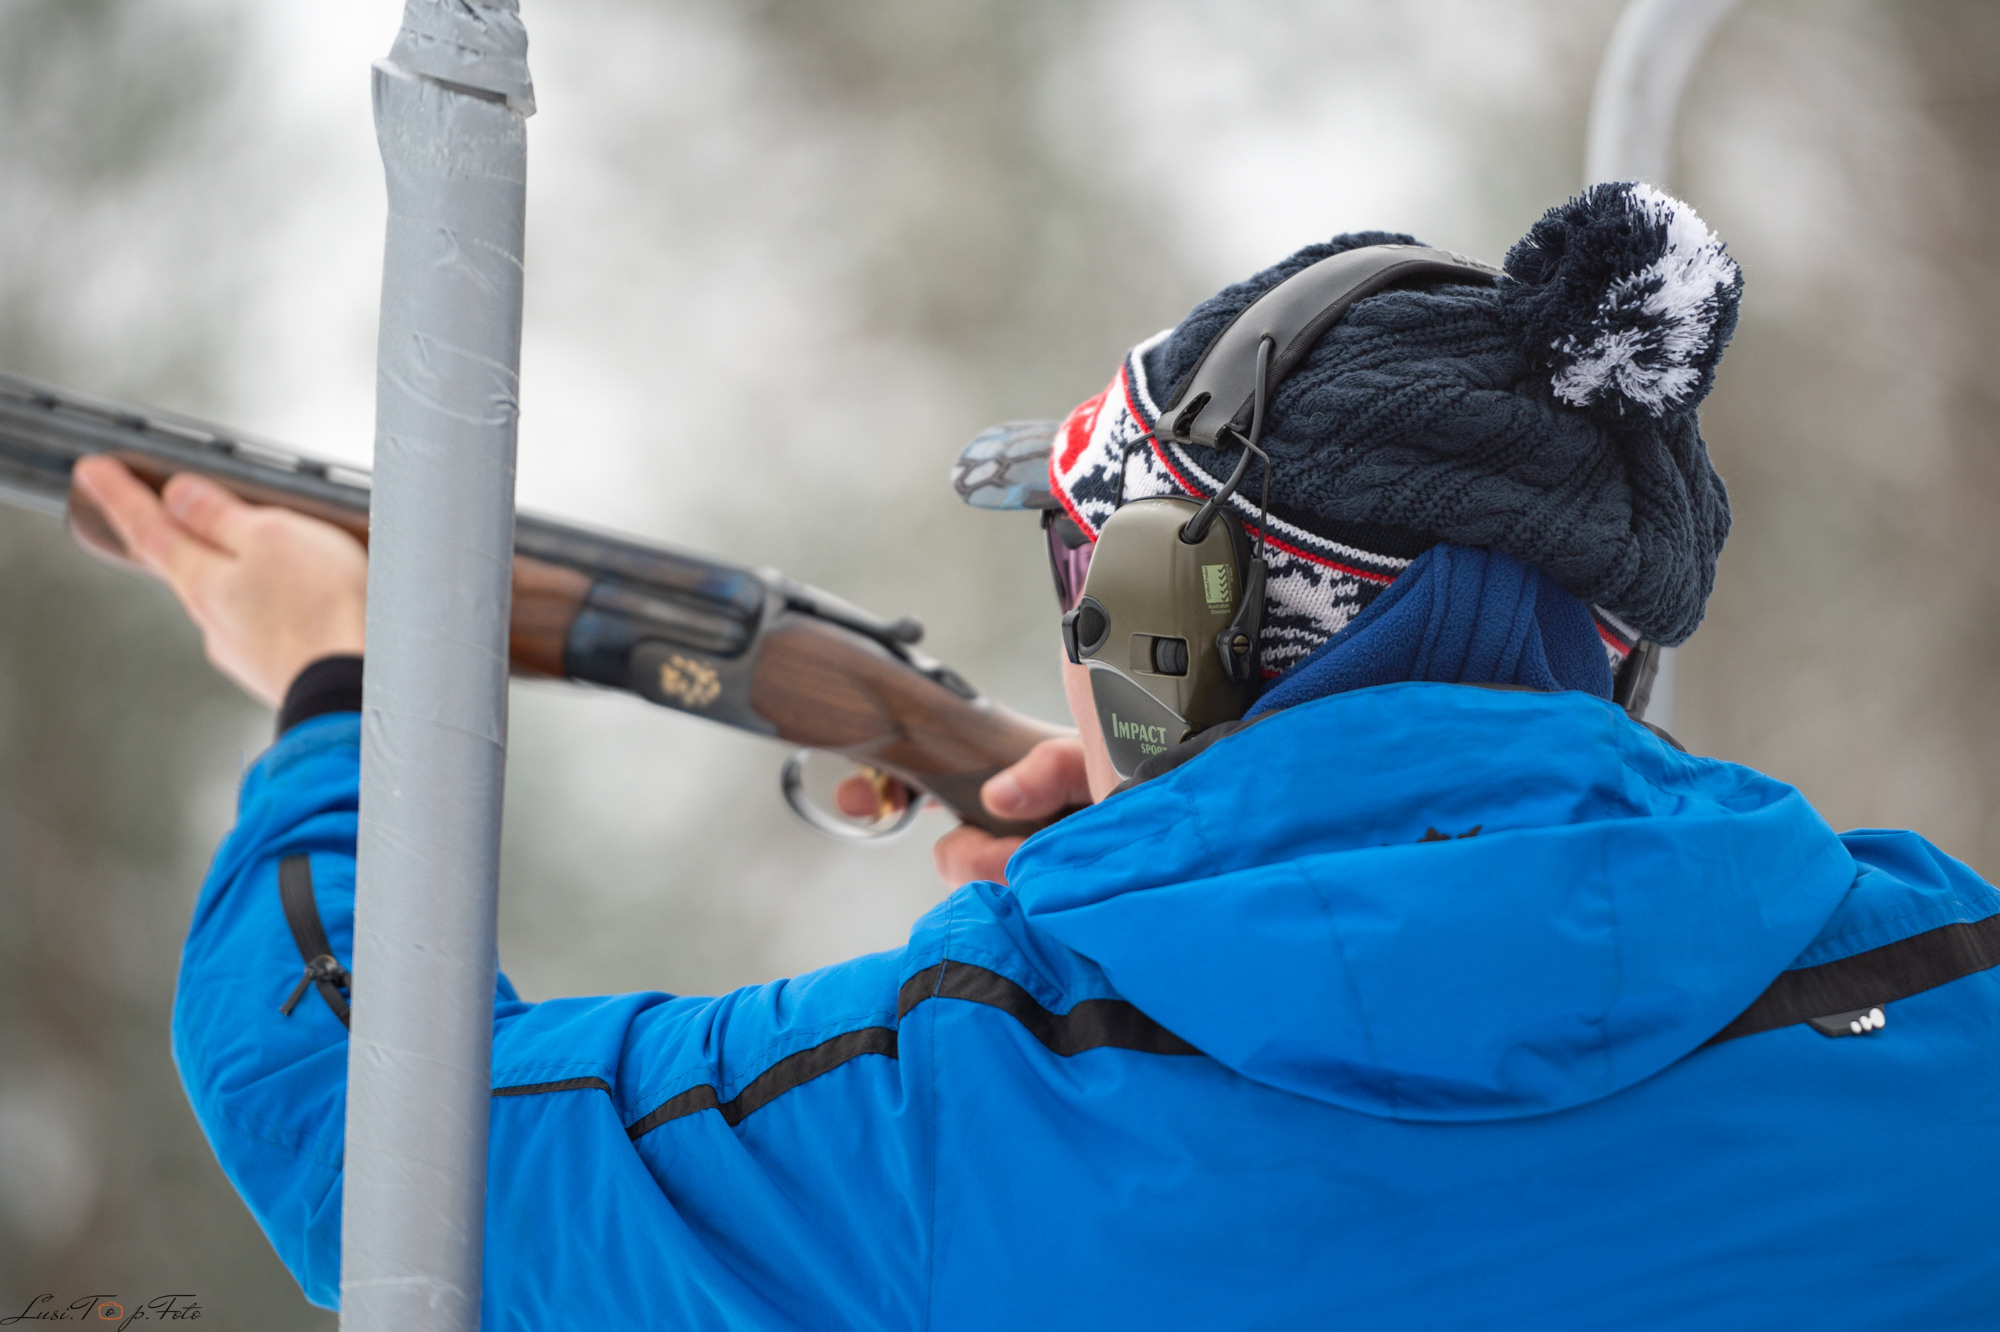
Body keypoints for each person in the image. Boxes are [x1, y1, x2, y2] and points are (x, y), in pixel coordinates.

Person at [79, 183, 2000, 1329]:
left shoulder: (944, 1112)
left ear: (1184, 637)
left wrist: (341, 688)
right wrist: (1161, 893)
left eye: (1115, 579)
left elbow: (373, 1140)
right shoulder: (1953, 990)